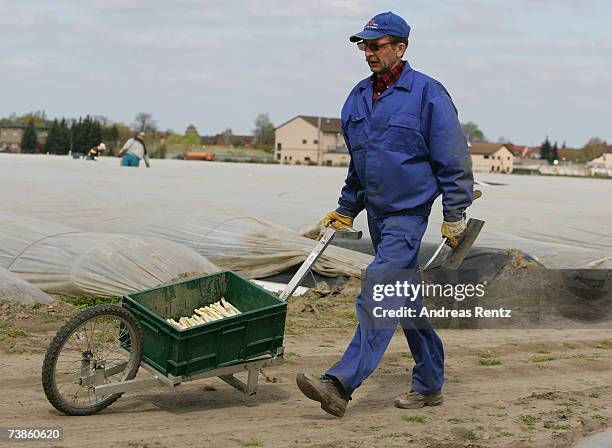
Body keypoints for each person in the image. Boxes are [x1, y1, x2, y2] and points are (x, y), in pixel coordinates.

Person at [296, 11, 474, 417]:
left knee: (380, 286)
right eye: (364, 46)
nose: (368, 53)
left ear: (400, 47)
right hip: (377, 215)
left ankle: (341, 383)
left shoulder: (428, 94)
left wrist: (455, 211)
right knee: (404, 300)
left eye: (376, 46)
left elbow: (452, 156)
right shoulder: (358, 96)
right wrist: (346, 208)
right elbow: (360, 162)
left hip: (407, 216)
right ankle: (429, 384)